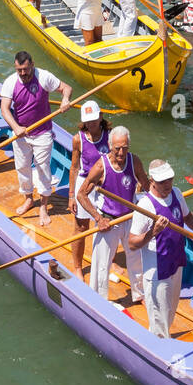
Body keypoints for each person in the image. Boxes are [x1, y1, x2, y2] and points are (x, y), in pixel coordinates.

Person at [128, 159, 193, 337]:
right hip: (157, 272)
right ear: (152, 181)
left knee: (170, 311)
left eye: (169, 179)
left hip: (176, 263)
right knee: (159, 320)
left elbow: (187, 216)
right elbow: (132, 243)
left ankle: (164, 338)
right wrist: (152, 233)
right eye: (162, 181)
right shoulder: (145, 206)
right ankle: (159, 346)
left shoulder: (177, 193)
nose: (167, 185)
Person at [78, 125, 148, 302]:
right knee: (101, 264)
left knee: (136, 258)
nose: (121, 152)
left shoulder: (135, 162)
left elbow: (147, 187)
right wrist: (98, 218)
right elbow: (81, 194)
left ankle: (139, 293)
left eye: (125, 147)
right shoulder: (101, 166)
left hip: (130, 218)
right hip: (108, 222)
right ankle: (98, 299)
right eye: (118, 148)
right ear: (110, 146)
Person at [0, 50, 71, 221]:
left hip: (42, 132)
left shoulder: (43, 76)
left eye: (25, 69)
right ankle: (29, 199)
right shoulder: (11, 82)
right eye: (19, 70)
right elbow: (4, 109)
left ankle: (44, 207)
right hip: (21, 134)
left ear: (32, 64)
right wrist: (16, 127)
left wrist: (65, 99)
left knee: (43, 169)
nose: (23, 73)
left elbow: (66, 88)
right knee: (22, 167)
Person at [67, 100, 111, 281]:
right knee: (81, 227)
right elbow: (74, 168)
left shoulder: (111, 136)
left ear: (101, 117)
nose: (92, 124)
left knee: (107, 225)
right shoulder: (78, 139)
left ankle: (110, 261)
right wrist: (71, 195)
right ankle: (78, 267)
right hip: (85, 185)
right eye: (88, 121)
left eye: (94, 119)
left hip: (105, 185)